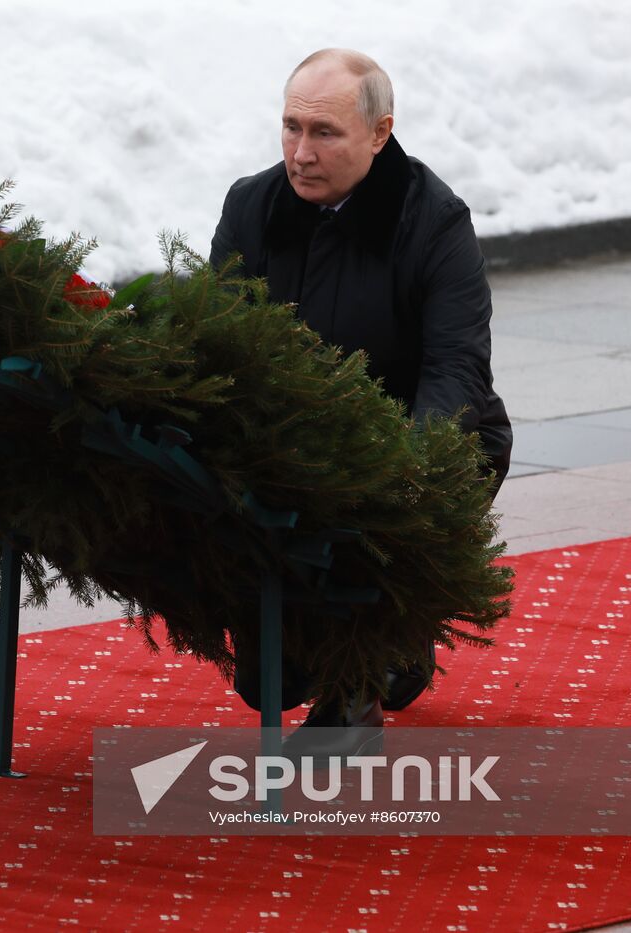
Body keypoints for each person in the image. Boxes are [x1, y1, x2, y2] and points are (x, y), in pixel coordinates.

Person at [209, 48, 512, 739]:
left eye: (325, 134)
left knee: (359, 545)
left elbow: (456, 372)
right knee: (269, 682)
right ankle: (382, 640)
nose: (301, 153)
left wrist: (398, 468)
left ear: (379, 133)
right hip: (290, 448)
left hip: (419, 441)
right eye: (291, 127)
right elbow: (218, 341)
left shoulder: (434, 220)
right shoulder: (251, 205)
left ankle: (359, 684)